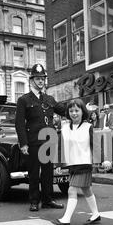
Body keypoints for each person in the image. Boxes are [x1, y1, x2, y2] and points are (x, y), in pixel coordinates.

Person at [15, 63, 65, 212]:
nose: (41, 81)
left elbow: (63, 110)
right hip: (33, 141)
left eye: (42, 78)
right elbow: (19, 123)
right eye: (37, 78)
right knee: (34, 173)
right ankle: (34, 201)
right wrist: (23, 143)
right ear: (31, 80)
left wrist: (80, 111)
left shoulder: (49, 99)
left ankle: (48, 200)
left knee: (48, 173)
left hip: (48, 141)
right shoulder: (24, 100)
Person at [51, 99, 101, 225]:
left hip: (84, 163)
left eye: (77, 110)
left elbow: (95, 145)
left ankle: (66, 219)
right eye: (71, 110)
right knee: (86, 189)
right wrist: (58, 165)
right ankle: (95, 214)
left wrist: (101, 160)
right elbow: (61, 147)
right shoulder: (65, 127)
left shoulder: (88, 127)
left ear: (82, 111)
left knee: (71, 189)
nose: (74, 113)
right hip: (71, 163)